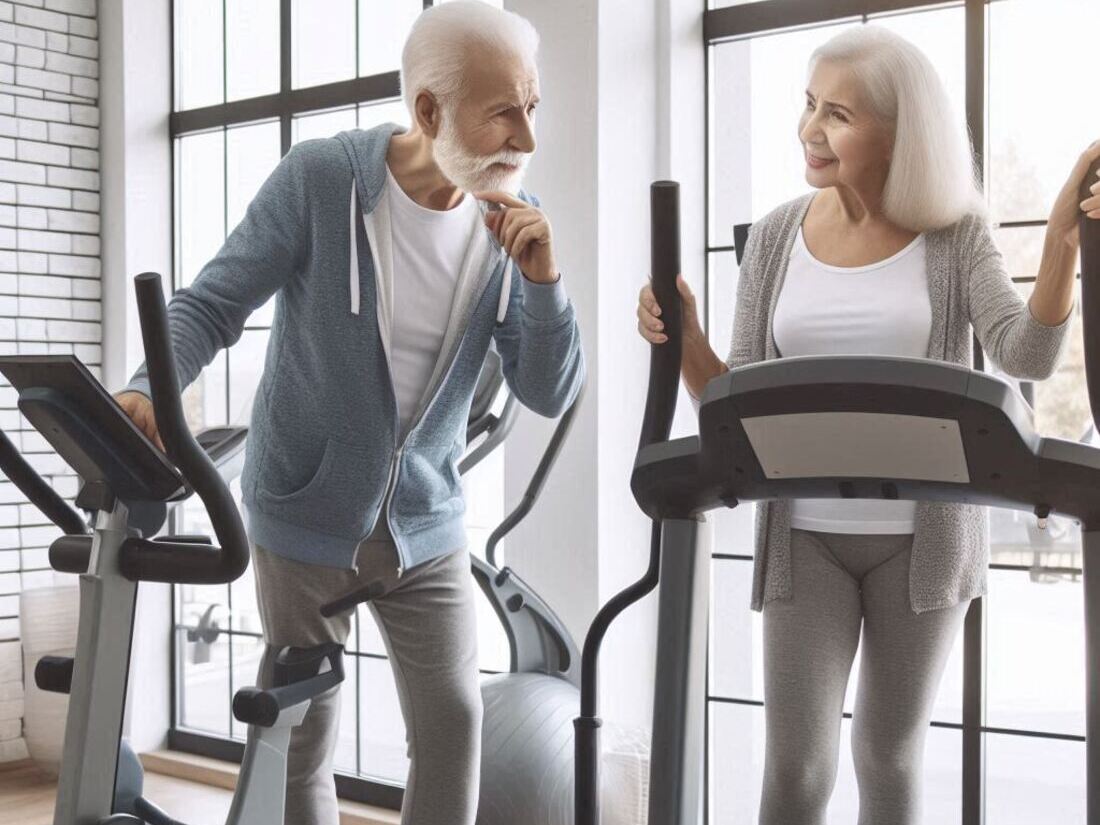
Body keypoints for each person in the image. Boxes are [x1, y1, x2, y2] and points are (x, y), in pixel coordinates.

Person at [114, 3, 584, 825]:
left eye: (532, 107)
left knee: (454, 722)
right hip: (303, 510)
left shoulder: (511, 224)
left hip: (426, 527)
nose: (526, 138)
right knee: (302, 731)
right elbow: (211, 303)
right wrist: (147, 388)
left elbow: (548, 389)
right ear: (429, 111)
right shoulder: (323, 180)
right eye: (504, 111)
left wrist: (545, 287)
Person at [637, 25, 1099, 825]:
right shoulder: (780, 234)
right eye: (809, 105)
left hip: (921, 545)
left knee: (885, 759)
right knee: (797, 767)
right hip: (805, 536)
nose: (810, 130)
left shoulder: (955, 235)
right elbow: (735, 405)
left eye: (839, 115)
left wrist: (1060, 242)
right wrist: (687, 338)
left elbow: (1026, 351)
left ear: (898, 133)